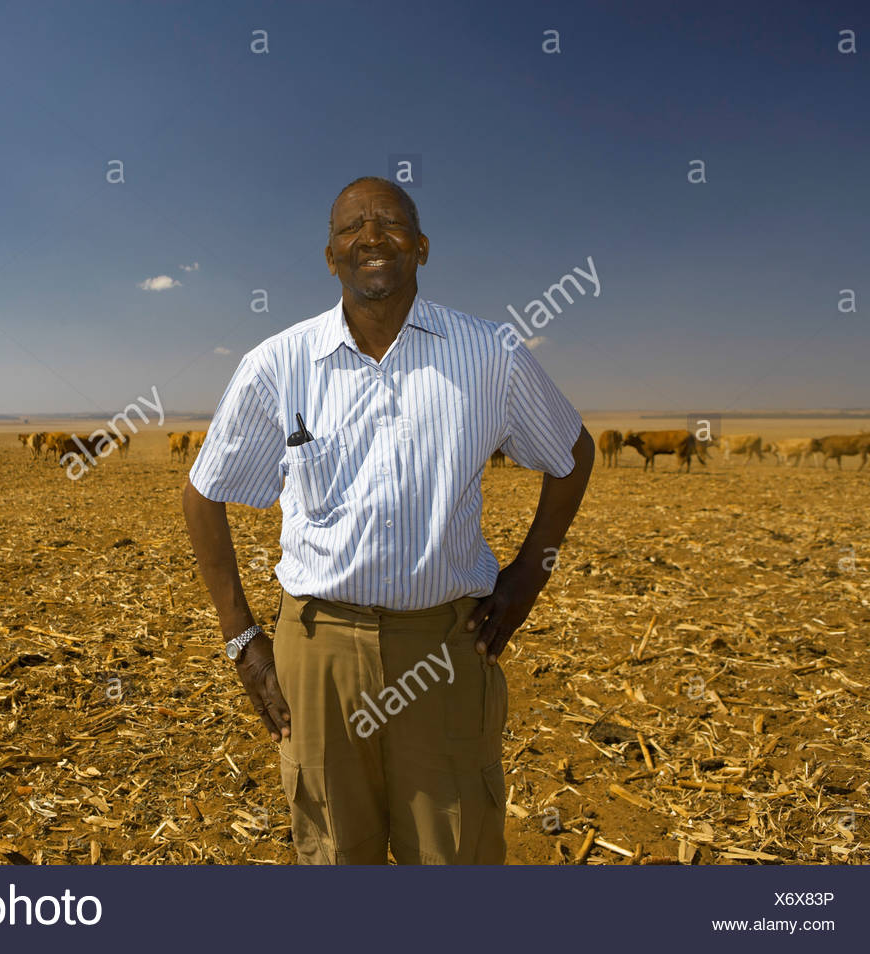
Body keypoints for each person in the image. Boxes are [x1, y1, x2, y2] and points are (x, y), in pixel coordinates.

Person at [182, 176, 593, 864]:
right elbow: (203, 494)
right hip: (318, 650)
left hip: (447, 644)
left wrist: (527, 576)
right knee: (338, 850)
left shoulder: (491, 354)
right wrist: (241, 638)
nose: (371, 237)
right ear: (330, 255)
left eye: (391, 223)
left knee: (456, 848)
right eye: (351, 228)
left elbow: (573, 453)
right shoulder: (278, 365)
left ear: (422, 247)